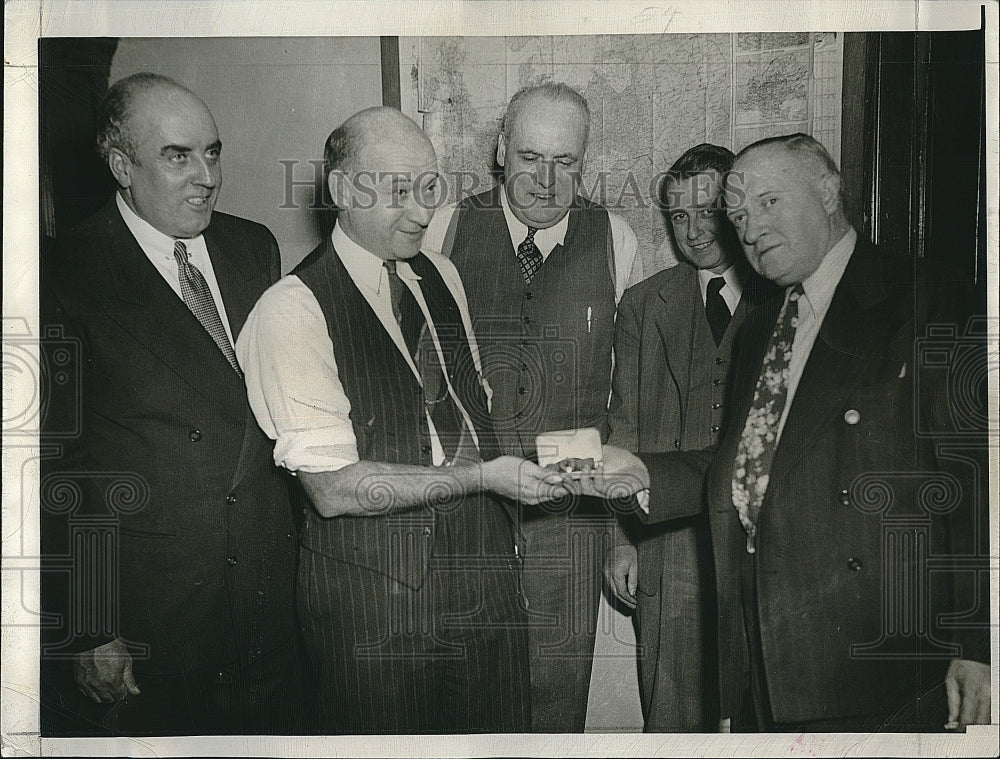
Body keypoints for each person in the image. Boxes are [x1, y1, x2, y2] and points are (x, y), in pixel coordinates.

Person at [578, 133, 991, 731]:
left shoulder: (928, 297)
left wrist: (976, 643)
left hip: (875, 658)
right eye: (740, 214)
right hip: (765, 653)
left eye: (768, 203)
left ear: (828, 191)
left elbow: (975, 481)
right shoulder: (766, 322)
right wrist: (645, 472)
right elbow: (749, 461)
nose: (748, 229)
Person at [236, 106, 570, 734]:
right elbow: (333, 491)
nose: (421, 212)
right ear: (342, 191)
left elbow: (475, 419)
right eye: (398, 191)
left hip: (485, 583)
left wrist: (567, 463)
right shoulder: (291, 310)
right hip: (378, 610)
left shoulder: (440, 274)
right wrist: (483, 479)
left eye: (429, 188)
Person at [39, 72, 303, 735]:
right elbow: (55, 469)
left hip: (266, 602)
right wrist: (90, 627)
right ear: (122, 166)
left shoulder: (252, 247)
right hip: (154, 617)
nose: (206, 176)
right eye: (177, 155)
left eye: (212, 152)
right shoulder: (65, 274)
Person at [422, 81, 643, 732]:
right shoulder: (448, 225)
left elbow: (627, 395)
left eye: (565, 163)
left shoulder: (616, 238)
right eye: (529, 157)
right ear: (500, 150)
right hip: (468, 505)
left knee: (555, 689)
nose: (546, 180)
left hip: (570, 506)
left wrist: (620, 530)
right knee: (466, 684)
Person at [604, 143, 769, 731]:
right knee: (672, 716)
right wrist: (623, 541)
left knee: (763, 714)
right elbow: (624, 425)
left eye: (709, 212)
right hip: (669, 544)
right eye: (680, 217)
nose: (696, 231)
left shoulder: (780, 297)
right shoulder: (645, 305)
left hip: (761, 549)